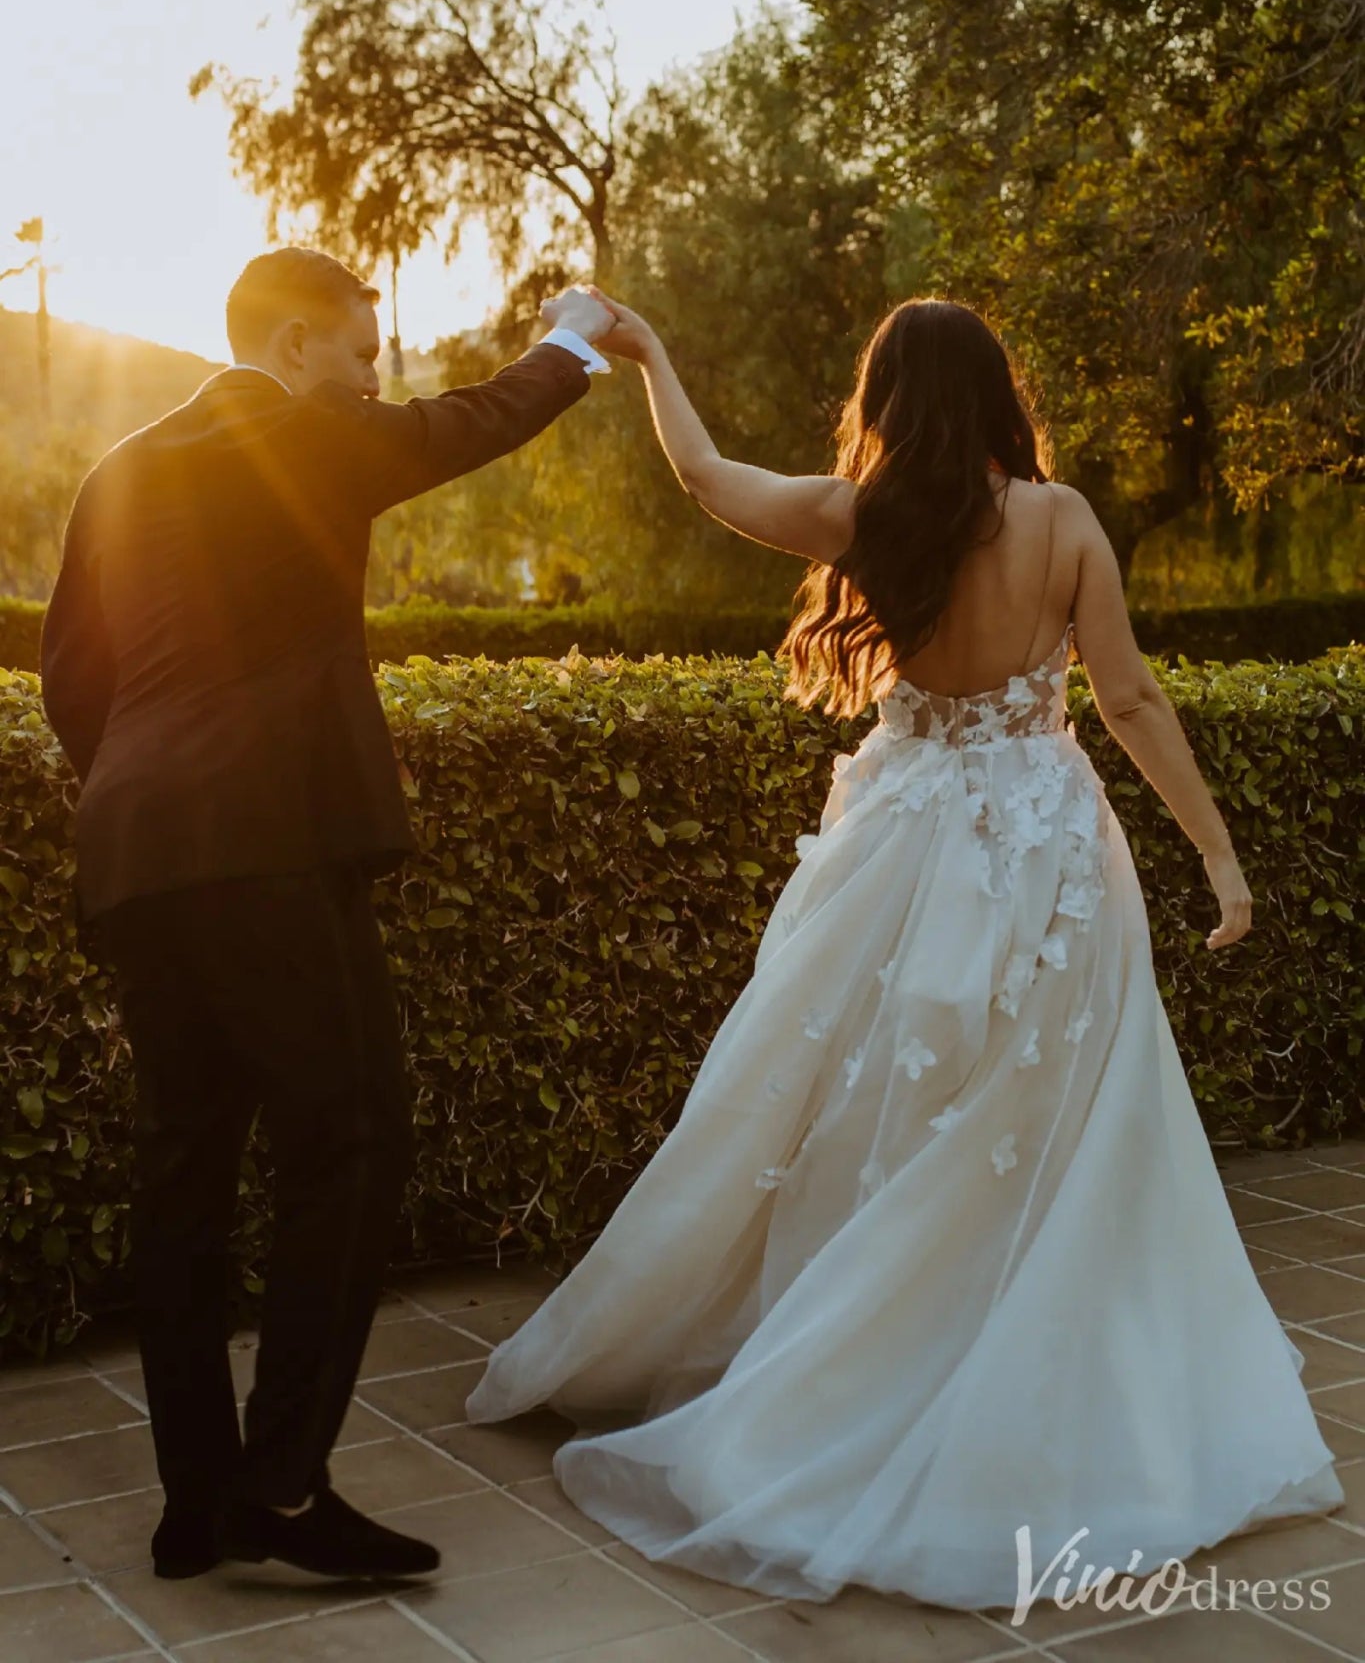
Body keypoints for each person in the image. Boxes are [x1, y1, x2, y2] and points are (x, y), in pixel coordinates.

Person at [467, 293, 1343, 1610]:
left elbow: (706, 479)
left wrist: (649, 353)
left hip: (902, 836)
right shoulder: (1063, 522)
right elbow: (1127, 695)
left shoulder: (865, 516)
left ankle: (863, 1360)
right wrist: (1217, 857)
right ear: (1001, 398)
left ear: (883, 404)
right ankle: (1011, 1363)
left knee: (864, 1095)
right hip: (1044, 849)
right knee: (1051, 1112)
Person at [40, 248, 614, 1583]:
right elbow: (466, 424)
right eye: (360, 356)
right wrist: (573, 339)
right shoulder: (295, 429)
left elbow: (77, 679)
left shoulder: (120, 467)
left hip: (133, 850)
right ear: (294, 346)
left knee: (183, 1165)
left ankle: (198, 1502)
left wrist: (149, 792)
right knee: (348, 1140)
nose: (374, 382)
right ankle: (283, 1485)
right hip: (266, 846)